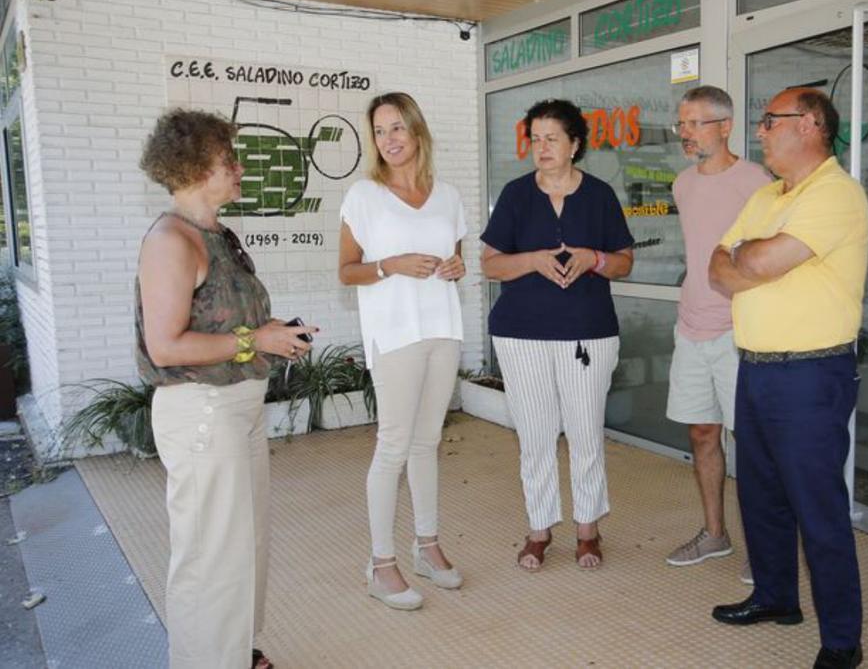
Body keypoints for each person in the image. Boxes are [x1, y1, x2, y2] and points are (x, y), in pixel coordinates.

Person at [136, 109, 317, 669]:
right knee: (210, 552)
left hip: (237, 407)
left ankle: (235, 651)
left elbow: (226, 321)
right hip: (202, 413)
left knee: (244, 545)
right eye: (227, 160)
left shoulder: (217, 233)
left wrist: (272, 336)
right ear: (192, 168)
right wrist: (253, 340)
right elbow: (166, 346)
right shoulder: (171, 240)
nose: (238, 169)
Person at [709, 88, 868, 669]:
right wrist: (750, 256)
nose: (759, 131)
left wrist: (747, 256)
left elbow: (752, 263)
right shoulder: (766, 195)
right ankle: (777, 598)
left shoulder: (836, 194)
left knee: (817, 510)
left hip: (810, 375)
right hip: (755, 367)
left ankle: (842, 641)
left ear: (807, 124)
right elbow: (718, 268)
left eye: (768, 121)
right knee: (761, 498)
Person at [481, 99, 634, 571]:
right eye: (535, 138)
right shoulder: (515, 195)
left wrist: (595, 259)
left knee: (586, 433)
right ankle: (539, 528)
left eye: (552, 138)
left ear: (575, 145)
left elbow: (625, 262)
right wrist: (532, 259)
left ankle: (588, 529)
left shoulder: (601, 196)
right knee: (536, 436)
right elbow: (488, 264)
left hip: (588, 335)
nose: (541, 147)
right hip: (521, 335)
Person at [338, 92, 467, 611]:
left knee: (426, 441)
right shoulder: (363, 196)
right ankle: (380, 564)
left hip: (443, 328)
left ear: (417, 131)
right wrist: (389, 264)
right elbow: (347, 271)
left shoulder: (449, 194)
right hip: (394, 333)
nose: (388, 139)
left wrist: (456, 266)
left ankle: (426, 545)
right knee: (393, 445)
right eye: (379, 131)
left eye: (397, 128)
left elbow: (454, 258)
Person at [664, 86, 772, 582]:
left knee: (751, 443)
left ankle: (764, 547)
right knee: (703, 433)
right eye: (681, 124)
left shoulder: (756, 181)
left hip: (740, 332)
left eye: (695, 123)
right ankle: (714, 534)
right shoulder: (682, 185)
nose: (685, 133)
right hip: (691, 329)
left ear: (725, 126)